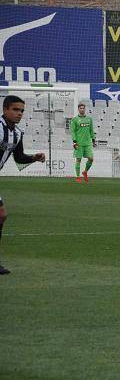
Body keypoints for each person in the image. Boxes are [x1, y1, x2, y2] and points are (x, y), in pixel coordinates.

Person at [0, 95, 46, 275]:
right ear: (5, 110)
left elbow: (19, 157)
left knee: (1, 216)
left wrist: (34, 158)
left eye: (22, 110)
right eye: (15, 109)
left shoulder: (17, 133)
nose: (19, 113)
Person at [69, 103, 96, 183]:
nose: (82, 109)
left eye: (83, 108)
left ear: (85, 109)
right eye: (80, 108)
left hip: (88, 143)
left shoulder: (89, 119)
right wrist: (74, 141)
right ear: (78, 109)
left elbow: (91, 130)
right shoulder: (74, 119)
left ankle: (85, 172)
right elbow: (73, 131)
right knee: (78, 159)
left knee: (91, 159)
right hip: (79, 143)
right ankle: (78, 177)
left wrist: (93, 140)